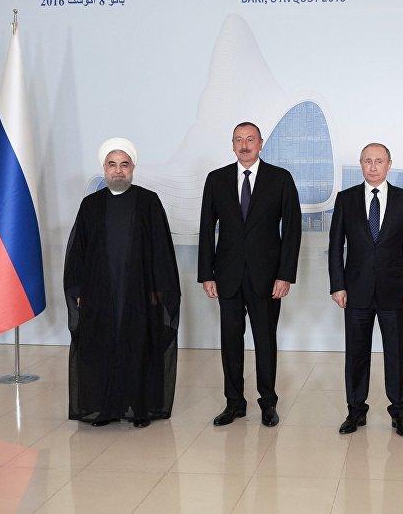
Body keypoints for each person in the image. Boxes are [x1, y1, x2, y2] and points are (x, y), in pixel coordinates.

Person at [64, 138, 182, 428]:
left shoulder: (148, 202)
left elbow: (161, 249)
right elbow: (78, 250)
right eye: (112, 165)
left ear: (133, 168)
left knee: (138, 347)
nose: (118, 170)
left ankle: (140, 409)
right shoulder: (91, 205)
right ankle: (105, 408)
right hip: (100, 292)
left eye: (124, 165)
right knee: (102, 347)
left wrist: (160, 291)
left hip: (139, 292)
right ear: (104, 168)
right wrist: (78, 290)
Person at [198, 122, 302, 427]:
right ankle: (234, 403)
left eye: (250, 139)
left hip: (267, 278)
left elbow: (292, 230)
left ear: (260, 143)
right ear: (232, 145)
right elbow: (206, 228)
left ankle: (268, 403)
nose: (244, 145)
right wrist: (207, 274)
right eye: (239, 140)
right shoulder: (216, 179)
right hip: (227, 276)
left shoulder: (280, 179)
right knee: (230, 342)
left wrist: (285, 275)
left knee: (265, 341)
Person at [328, 143, 403, 437]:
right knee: (356, 354)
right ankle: (355, 411)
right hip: (355, 291)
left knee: (397, 354)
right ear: (361, 164)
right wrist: (337, 285)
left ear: (389, 165)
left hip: (395, 293)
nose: (373, 167)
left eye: (378, 161)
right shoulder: (345, 199)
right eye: (367, 161)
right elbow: (335, 246)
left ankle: (399, 413)